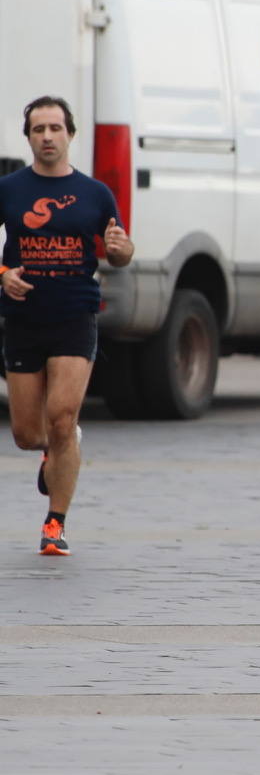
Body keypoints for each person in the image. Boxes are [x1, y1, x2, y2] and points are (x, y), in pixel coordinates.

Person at [1, 96, 134, 555]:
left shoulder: (95, 193)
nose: (47, 137)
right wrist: (4, 275)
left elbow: (120, 252)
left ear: (70, 134)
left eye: (55, 128)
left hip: (75, 314)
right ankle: (55, 448)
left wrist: (121, 248)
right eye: (38, 129)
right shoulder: (10, 189)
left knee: (61, 417)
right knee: (27, 434)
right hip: (22, 318)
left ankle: (55, 524)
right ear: (28, 138)